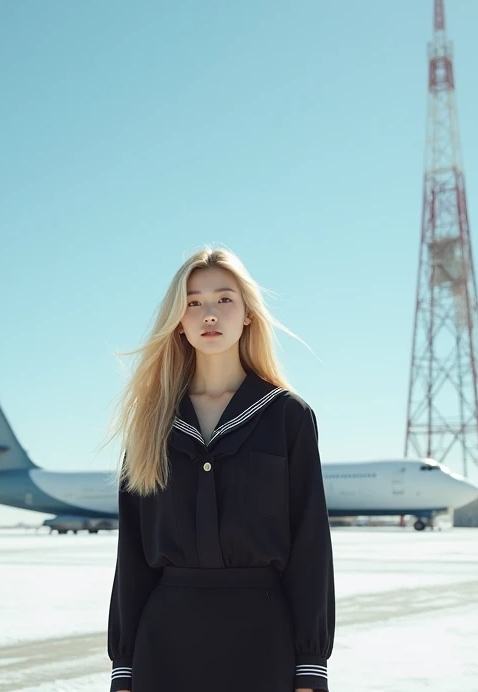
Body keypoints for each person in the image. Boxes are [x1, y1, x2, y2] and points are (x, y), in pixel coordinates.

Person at [106, 247, 335, 692]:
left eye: (224, 299)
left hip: (264, 642)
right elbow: (131, 553)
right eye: (193, 302)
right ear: (178, 318)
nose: (209, 313)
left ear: (248, 314)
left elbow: (311, 547)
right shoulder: (151, 421)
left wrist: (311, 664)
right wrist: (124, 666)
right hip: (164, 648)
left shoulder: (287, 416)